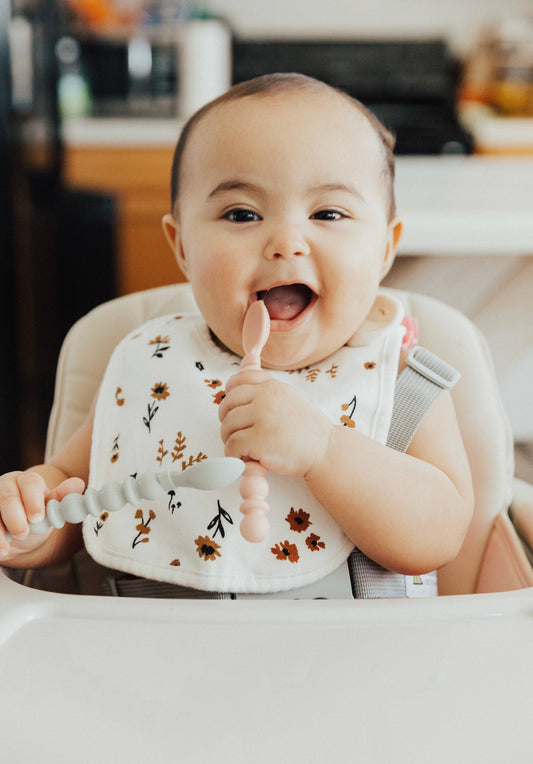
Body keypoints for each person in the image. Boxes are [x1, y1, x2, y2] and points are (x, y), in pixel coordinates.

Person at [0, 73, 473, 596]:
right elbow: (79, 499)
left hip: (351, 663)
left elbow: (440, 535)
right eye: (241, 213)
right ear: (182, 247)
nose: (286, 243)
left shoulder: (401, 380)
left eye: (328, 213)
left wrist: (322, 449)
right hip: (154, 658)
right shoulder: (149, 363)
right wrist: (29, 522)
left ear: (386, 247)